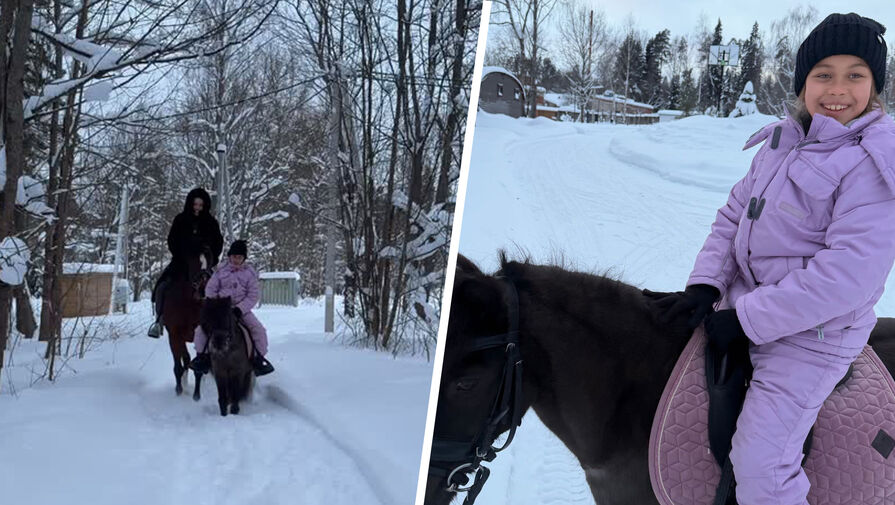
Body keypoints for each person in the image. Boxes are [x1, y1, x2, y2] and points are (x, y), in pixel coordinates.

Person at [646, 13, 895, 505]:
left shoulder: (872, 163)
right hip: (746, 308)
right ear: (803, 81)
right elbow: (734, 216)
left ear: (875, 85)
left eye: (855, 75)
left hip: (814, 336)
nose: (836, 89)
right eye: (822, 74)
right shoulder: (781, 143)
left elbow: (846, 278)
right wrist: (706, 285)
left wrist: (748, 320)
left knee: (761, 464)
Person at [189, 240, 274, 376]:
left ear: (244, 259)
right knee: (200, 330)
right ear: (229, 257)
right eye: (234, 256)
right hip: (220, 310)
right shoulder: (220, 271)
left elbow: (253, 295)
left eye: (239, 257)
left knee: (258, 330)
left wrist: (240, 309)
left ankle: (258, 359)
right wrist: (217, 304)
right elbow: (210, 289)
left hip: (241, 311)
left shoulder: (250, 274)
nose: (236, 259)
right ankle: (202, 357)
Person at [148, 187, 224, 338]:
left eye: (201, 205)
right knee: (162, 285)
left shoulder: (211, 222)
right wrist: (181, 254)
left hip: (204, 263)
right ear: (190, 204)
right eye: (195, 204)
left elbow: (218, 243)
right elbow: (172, 240)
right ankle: (159, 320)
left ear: (205, 205)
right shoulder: (180, 219)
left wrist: (211, 258)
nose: (198, 208)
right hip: (181, 262)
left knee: (220, 288)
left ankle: (221, 321)